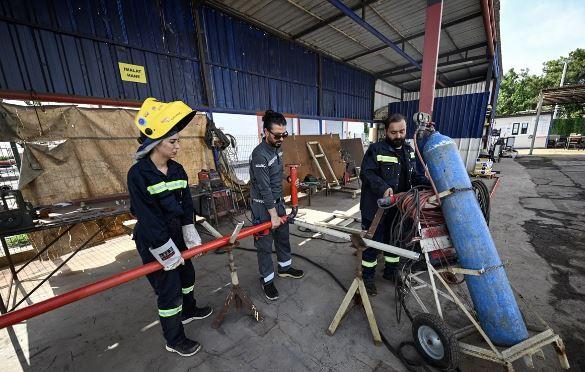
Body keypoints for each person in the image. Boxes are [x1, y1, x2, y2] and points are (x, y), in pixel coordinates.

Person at [127, 98, 213, 357]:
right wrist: (164, 250)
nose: (178, 146)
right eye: (172, 141)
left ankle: (189, 310)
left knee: (187, 278)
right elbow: (148, 217)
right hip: (154, 239)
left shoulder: (177, 170)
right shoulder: (138, 174)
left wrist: (190, 228)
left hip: (177, 232)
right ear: (156, 144)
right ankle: (174, 339)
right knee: (169, 291)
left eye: (178, 140)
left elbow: (186, 202)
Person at [359, 113, 428, 296]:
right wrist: (383, 188)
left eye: (402, 131)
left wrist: (430, 183)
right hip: (376, 208)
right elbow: (367, 174)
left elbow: (412, 176)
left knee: (395, 241)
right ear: (386, 132)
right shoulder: (376, 150)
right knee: (372, 243)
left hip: (398, 209)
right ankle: (367, 277)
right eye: (393, 132)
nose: (398, 136)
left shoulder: (409, 150)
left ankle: (390, 271)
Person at [249, 110, 304, 301]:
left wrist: (288, 178)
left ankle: (285, 268)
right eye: (277, 135)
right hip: (263, 207)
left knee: (282, 238)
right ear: (266, 132)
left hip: (278, 204)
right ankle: (267, 280)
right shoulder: (259, 155)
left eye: (284, 134)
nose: (281, 138)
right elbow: (264, 189)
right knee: (264, 245)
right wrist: (273, 215)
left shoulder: (277, 149)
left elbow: (276, 172)